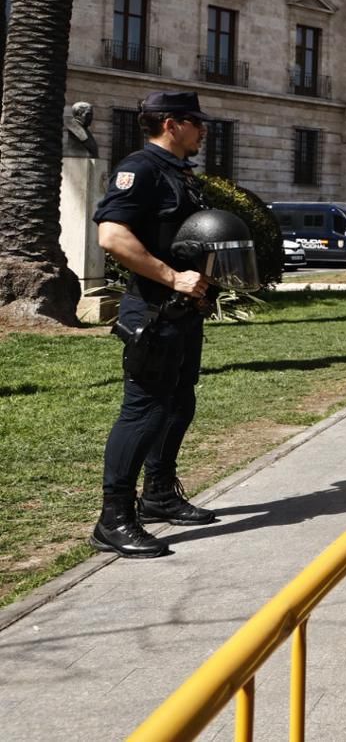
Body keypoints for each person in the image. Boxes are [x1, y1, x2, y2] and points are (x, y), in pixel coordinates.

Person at [90, 90, 218, 558]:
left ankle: (160, 496)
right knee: (144, 411)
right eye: (195, 122)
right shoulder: (140, 169)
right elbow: (112, 234)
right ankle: (113, 519)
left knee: (179, 404)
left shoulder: (178, 172)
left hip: (184, 312)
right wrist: (170, 277)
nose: (203, 129)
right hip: (152, 311)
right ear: (171, 123)